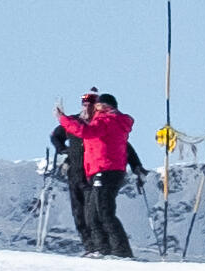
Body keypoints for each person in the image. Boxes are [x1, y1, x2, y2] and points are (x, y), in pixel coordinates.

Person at [48, 87, 145, 256]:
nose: (91, 108)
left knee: (101, 212)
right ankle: (99, 249)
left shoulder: (105, 122)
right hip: (87, 171)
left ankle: (117, 251)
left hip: (103, 170)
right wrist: (63, 150)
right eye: (87, 103)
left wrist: (62, 118)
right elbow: (58, 135)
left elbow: (90, 134)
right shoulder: (92, 122)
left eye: (95, 104)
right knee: (87, 214)